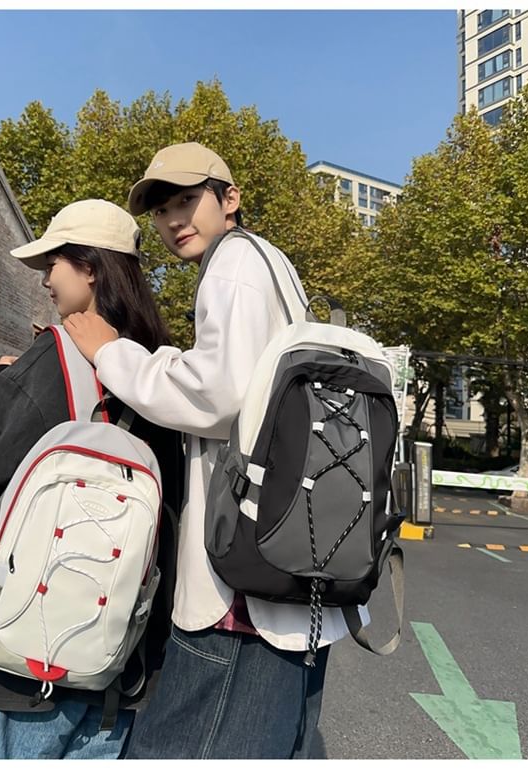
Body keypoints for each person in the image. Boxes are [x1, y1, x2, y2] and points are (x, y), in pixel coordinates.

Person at [64, 143, 361, 759]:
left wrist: (113, 353)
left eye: (186, 201)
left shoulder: (232, 264)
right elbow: (246, 380)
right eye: (163, 209)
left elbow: (219, 395)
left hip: (240, 586)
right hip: (293, 562)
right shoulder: (273, 264)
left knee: (186, 744)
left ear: (230, 200)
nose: (174, 220)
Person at [0, 199, 184, 760]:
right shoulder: (158, 365)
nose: (46, 279)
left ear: (90, 268)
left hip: (13, 661)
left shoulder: (58, 352)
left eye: (54, 263)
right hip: (113, 656)